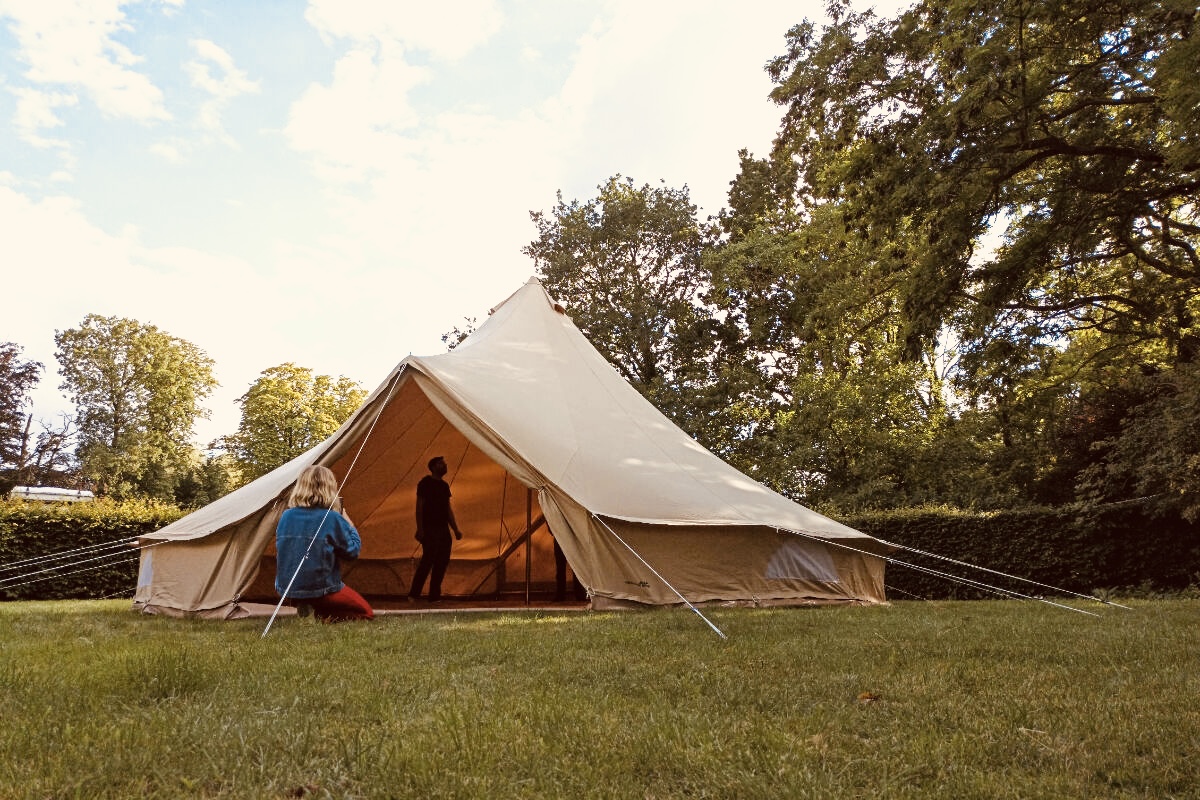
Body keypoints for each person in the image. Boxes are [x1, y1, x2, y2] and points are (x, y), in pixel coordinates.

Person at [275, 464, 374, 621]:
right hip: (321, 589)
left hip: (287, 589)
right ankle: (319, 611)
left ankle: (309, 607)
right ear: (329, 488)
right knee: (365, 613)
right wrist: (349, 523)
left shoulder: (286, 516)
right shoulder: (332, 518)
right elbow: (352, 551)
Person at [408, 455, 463, 602]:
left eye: (444, 463)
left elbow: (447, 509)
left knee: (442, 561)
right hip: (429, 528)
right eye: (441, 464)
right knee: (427, 561)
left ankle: (434, 595)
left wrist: (455, 529)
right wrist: (420, 528)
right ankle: (414, 594)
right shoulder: (425, 483)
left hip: (443, 529)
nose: (444, 466)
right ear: (433, 467)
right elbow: (419, 507)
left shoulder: (444, 486)